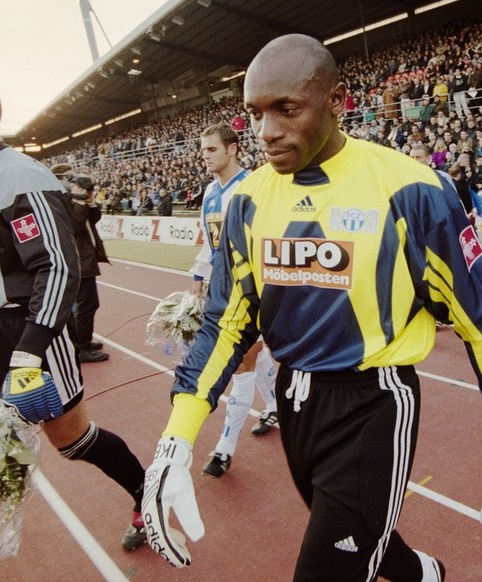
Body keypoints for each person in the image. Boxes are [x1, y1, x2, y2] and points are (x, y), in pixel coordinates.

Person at [141, 34, 482, 580]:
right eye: (255, 114)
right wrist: (176, 437)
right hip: (295, 403)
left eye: (286, 109)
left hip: (373, 404)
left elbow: (478, 321)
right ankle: (428, 575)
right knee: (367, 541)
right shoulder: (248, 201)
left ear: (338, 102)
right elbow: (227, 323)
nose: (265, 132)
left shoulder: (414, 190)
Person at [0, 71, 147, 580]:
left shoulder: (20, 175)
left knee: (71, 442)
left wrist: (29, 349)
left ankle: (145, 492)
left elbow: (59, 266)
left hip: (26, 337)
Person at [191, 123, 278, 478]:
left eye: (211, 149)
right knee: (251, 358)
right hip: (220, 289)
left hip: (250, 290)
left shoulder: (255, 186)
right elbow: (210, 242)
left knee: (241, 363)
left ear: (232, 149)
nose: (205, 156)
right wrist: (199, 273)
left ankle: (225, 448)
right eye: (203, 150)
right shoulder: (211, 192)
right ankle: (274, 405)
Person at [68, 175, 111, 363]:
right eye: (85, 189)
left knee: (90, 304)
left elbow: (95, 218)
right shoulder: (70, 204)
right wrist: (79, 201)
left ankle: (84, 342)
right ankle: (81, 348)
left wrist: (90, 201)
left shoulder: (83, 205)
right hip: (79, 262)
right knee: (85, 306)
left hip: (86, 260)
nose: (88, 193)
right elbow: (75, 226)